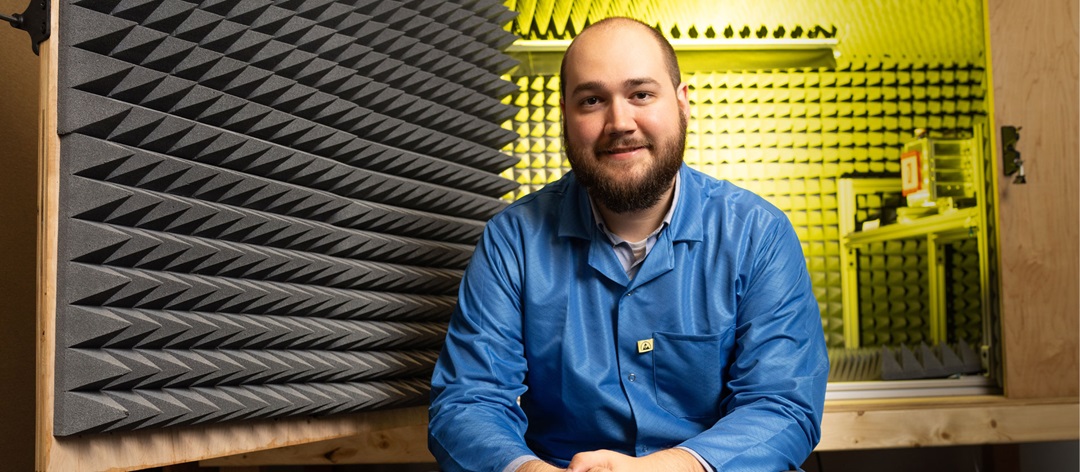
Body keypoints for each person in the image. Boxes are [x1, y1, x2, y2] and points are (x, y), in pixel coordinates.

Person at [428, 17, 829, 472]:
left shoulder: (758, 234)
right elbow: (466, 403)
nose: (619, 122)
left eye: (641, 94)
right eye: (593, 100)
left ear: (682, 104)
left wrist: (665, 468)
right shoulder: (513, 240)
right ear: (565, 114)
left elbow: (782, 406)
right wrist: (527, 470)